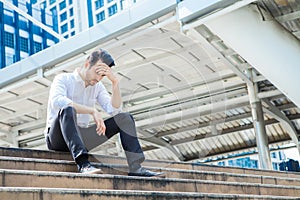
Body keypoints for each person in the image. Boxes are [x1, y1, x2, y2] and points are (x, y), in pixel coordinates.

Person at [44, 49, 165, 177]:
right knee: (68, 109)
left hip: (81, 137)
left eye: (102, 75)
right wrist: (92, 111)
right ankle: (84, 165)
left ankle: (136, 168)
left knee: (124, 118)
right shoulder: (63, 79)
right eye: (97, 72)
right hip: (57, 138)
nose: (99, 78)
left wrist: (115, 83)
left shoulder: (97, 86)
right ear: (87, 64)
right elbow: (57, 101)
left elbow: (114, 110)